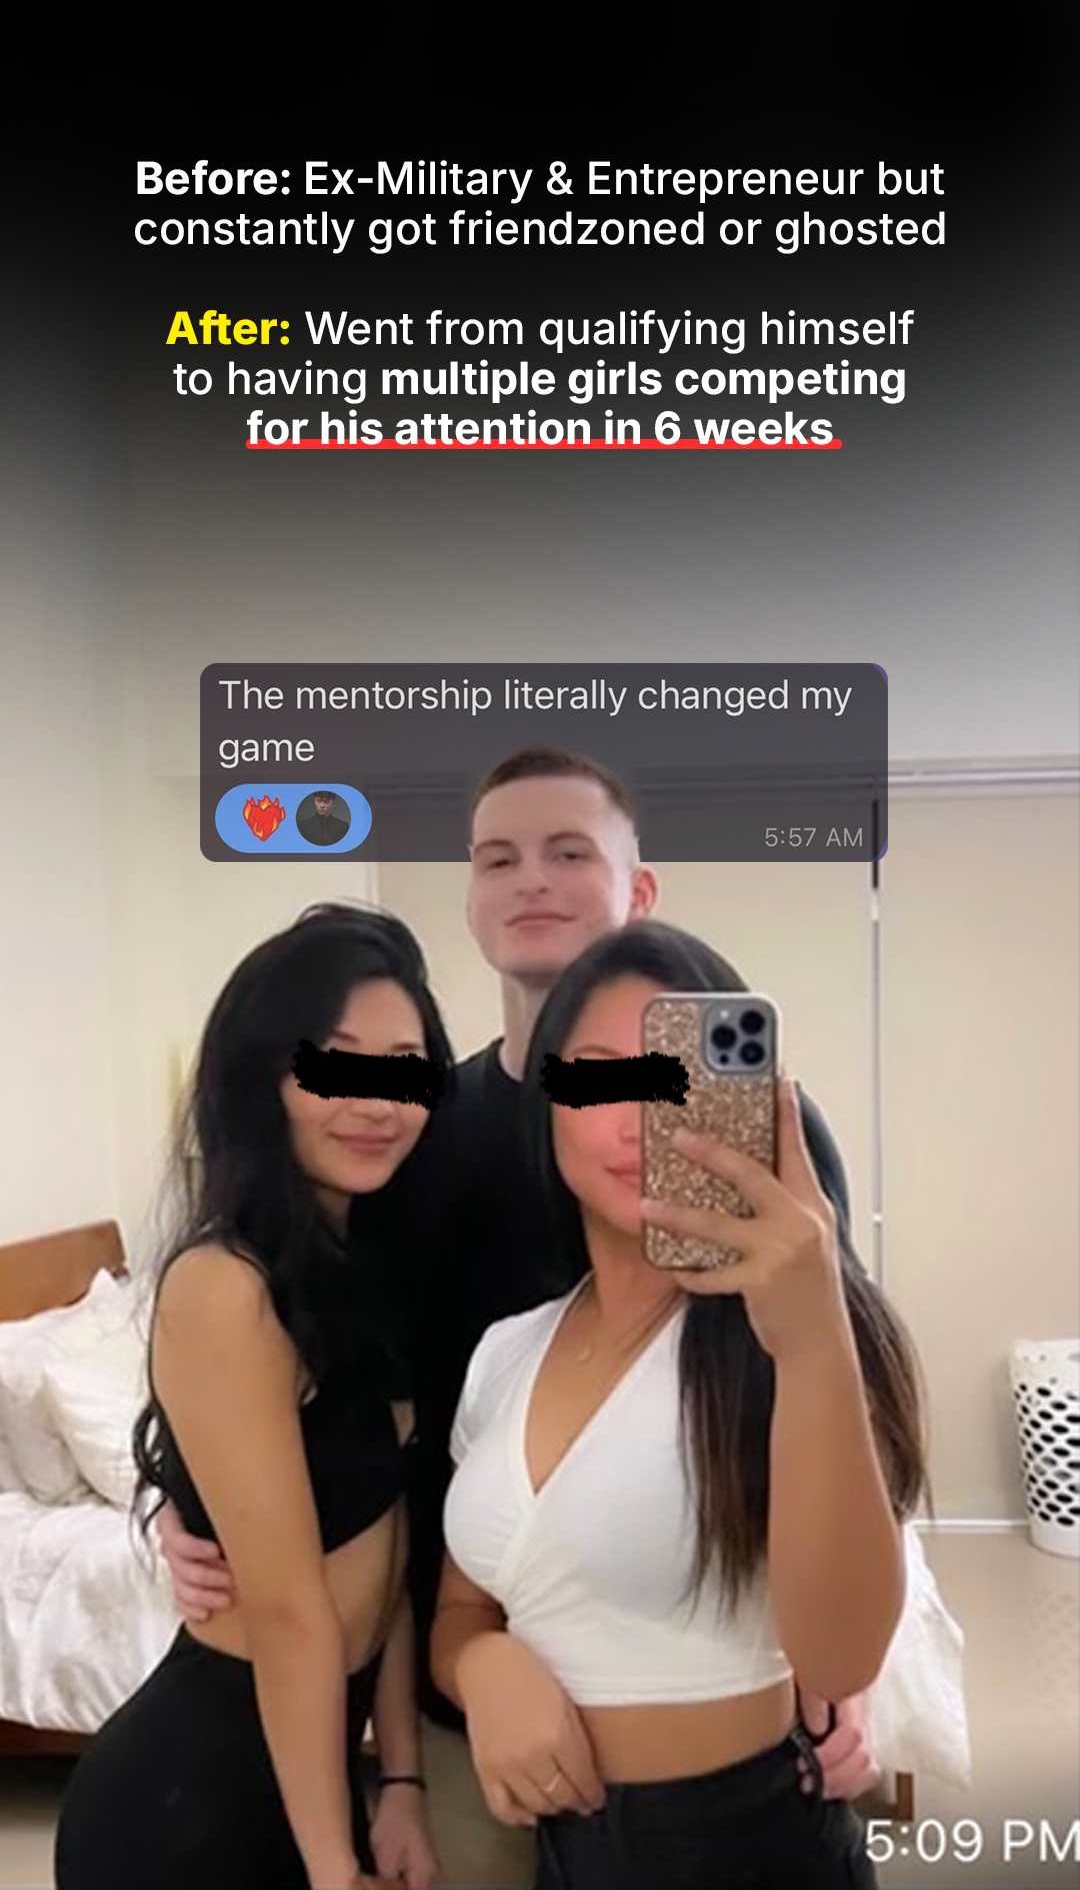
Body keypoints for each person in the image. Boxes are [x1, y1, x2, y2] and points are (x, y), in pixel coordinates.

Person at [160, 749, 881, 1886]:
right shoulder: (408, 1131)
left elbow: (841, 1417)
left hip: (722, 1735)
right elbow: (309, 1352)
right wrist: (185, 1495)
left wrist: (848, 1660)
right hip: (464, 1697)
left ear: (639, 889)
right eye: (499, 858)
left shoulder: (768, 1149)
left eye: (570, 852)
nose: (532, 880)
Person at [432, 921, 928, 1890]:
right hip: (564, 1857)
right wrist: (480, 1668)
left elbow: (839, 1658)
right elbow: (462, 1604)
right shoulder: (507, 1351)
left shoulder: (784, 1335)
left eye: (671, 1081)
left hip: (751, 1848)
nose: (634, 1120)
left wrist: (813, 1335)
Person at [55, 904, 450, 1890]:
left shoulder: (361, 1268)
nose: (376, 1100)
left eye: (404, 1067)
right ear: (262, 1076)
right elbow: (288, 1615)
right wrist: (333, 1867)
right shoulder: (226, 1285)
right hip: (191, 1806)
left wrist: (402, 1781)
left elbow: (388, 1548)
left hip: (308, 1776)